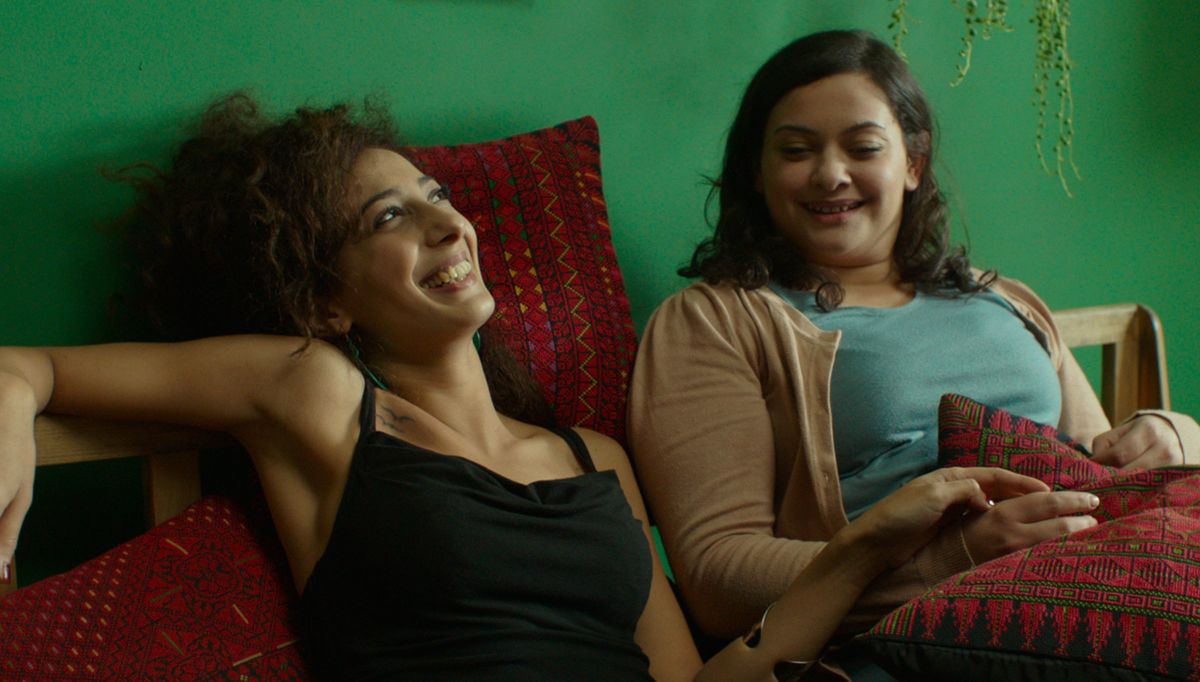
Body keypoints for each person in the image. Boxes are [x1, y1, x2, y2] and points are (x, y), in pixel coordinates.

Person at [0, 93, 1085, 681]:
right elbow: (28, 365)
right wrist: (8, 404)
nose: (447, 223)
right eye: (389, 217)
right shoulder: (318, 395)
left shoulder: (591, 456)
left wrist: (868, 541)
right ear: (324, 299)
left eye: (436, 194)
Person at [627, 28, 1200, 671]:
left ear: (913, 164)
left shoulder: (1004, 299)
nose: (830, 174)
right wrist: (951, 561)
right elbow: (718, 580)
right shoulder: (714, 321)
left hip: (1104, 587)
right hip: (923, 642)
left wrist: (1173, 433)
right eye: (796, 150)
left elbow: (1105, 468)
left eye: (863, 147)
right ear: (757, 173)